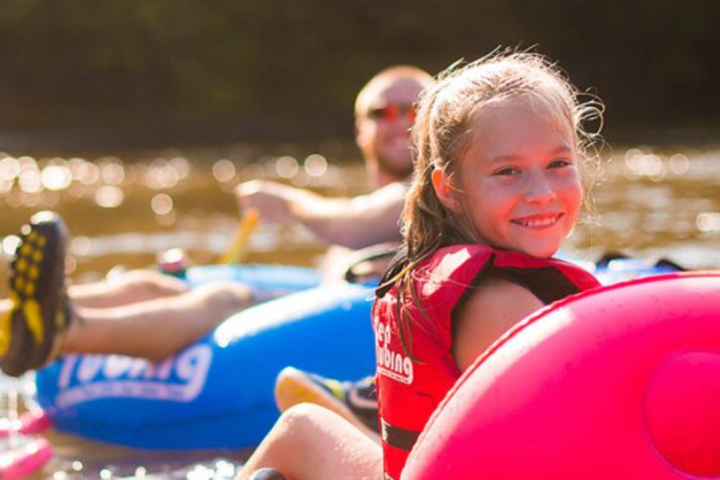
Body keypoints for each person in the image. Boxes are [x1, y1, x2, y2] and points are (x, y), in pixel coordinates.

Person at [234, 50, 604, 480]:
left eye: (558, 164)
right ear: (448, 188)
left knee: (301, 427)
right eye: (508, 171)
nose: (541, 192)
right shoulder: (498, 306)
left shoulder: (429, 269)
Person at [0, 66, 434, 377]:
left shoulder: (431, 193)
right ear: (360, 129)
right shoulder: (369, 200)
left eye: (413, 110)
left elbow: (350, 226)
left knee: (224, 296)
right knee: (157, 284)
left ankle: (63, 332)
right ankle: (22, 314)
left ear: (435, 126)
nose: (398, 121)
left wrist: (286, 200)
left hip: (366, 329)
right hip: (328, 302)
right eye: (383, 113)